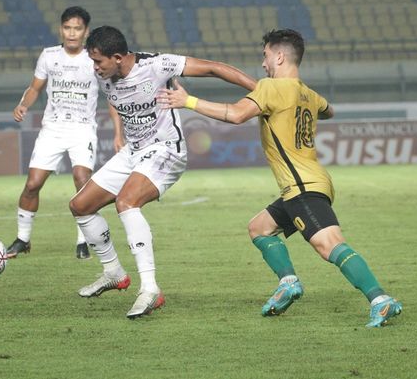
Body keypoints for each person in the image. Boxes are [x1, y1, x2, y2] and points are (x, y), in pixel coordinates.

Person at [157, 29, 402, 327]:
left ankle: (380, 299)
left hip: (303, 186)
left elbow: (235, 114)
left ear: (280, 56)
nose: (263, 64)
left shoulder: (271, 88)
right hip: (308, 182)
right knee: (259, 228)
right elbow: (330, 110)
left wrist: (188, 101)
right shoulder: (307, 93)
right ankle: (289, 282)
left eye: (265, 56)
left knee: (330, 245)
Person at [68, 25, 257, 319]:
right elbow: (114, 98)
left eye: (98, 61)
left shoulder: (157, 65)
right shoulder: (105, 76)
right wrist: (119, 131)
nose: (94, 67)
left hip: (166, 149)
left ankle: (151, 288)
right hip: (133, 151)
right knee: (80, 206)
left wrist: (263, 91)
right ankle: (114, 272)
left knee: (126, 203)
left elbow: (214, 68)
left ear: (117, 57)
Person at [6, 7, 124, 260]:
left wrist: (118, 134)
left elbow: (112, 98)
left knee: (82, 180)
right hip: (53, 129)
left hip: (82, 129)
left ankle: (83, 241)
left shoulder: (94, 60)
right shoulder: (49, 56)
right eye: (68, 28)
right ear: (61, 29)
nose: (72, 33)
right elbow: (35, 87)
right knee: (33, 184)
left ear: (86, 32)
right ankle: (23, 239)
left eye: (77, 28)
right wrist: (24, 104)